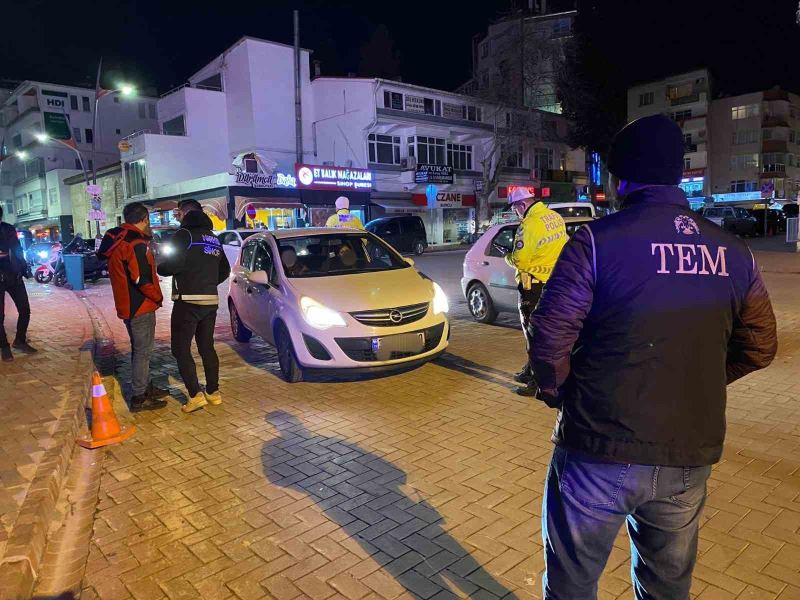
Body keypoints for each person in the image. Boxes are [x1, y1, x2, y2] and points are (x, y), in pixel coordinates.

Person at [531, 114, 778, 599]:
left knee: (572, 584)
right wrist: (699, 381)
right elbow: (761, 346)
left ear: (621, 178)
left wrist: (561, 391)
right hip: (687, 453)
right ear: (676, 175)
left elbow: (549, 338)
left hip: (599, 447)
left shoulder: (597, 243)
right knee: (667, 588)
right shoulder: (734, 252)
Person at [158, 199, 230, 413]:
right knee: (206, 347)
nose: (177, 216)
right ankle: (214, 392)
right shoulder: (214, 238)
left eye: (178, 212)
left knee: (180, 348)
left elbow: (172, 265)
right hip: (210, 301)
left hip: (187, 301)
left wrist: (161, 267)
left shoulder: (184, 235)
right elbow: (224, 270)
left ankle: (194, 395)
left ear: (186, 212)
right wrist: (207, 283)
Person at [97, 202, 168, 411]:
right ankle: (139, 396)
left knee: (141, 349)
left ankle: (145, 385)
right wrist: (157, 297)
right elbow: (141, 278)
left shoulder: (119, 239)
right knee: (142, 351)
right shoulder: (135, 243)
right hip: (140, 305)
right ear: (144, 219)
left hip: (128, 303)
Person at [503, 187, 567, 396]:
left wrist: (507, 258)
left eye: (515, 208)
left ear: (522, 205)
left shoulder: (529, 225)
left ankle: (537, 382)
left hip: (533, 286)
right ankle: (530, 370)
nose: (515, 213)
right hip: (555, 283)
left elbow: (521, 260)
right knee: (546, 333)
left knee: (534, 335)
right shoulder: (554, 217)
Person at [0, 205, 36, 362]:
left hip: (14, 275)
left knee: (25, 309)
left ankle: (20, 341)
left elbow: (16, 249)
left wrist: (23, 267)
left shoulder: (8, 229)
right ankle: (5, 347)